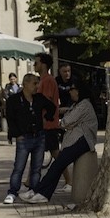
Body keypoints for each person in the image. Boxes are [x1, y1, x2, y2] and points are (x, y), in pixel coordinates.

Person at [23, 82, 97, 204]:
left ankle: (37, 191)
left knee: (57, 165)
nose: (70, 92)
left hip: (82, 141)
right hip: (75, 140)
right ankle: (44, 194)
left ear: (78, 91)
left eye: (72, 89)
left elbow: (66, 122)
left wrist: (66, 122)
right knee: (58, 166)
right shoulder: (77, 105)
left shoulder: (84, 105)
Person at [3, 73, 55, 205]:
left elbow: (51, 107)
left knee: (36, 167)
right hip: (24, 138)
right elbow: (10, 118)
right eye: (34, 84)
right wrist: (17, 134)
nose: (36, 87)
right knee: (19, 166)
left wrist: (46, 118)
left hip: (39, 136)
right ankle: (12, 192)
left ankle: (34, 189)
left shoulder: (38, 98)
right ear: (25, 84)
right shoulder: (14, 100)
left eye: (37, 83)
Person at [34, 52, 62, 181]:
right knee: (44, 152)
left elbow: (47, 102)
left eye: (37, 62)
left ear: (43, 65)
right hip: (44, 123)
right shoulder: (42, 80)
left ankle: (69, 180)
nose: (34, 65)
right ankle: (31, 180)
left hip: (48, 123)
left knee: (54, 153)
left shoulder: (48, 80)